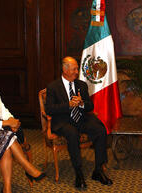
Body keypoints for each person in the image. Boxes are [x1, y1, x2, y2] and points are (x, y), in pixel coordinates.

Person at [46, 56, 112, 189]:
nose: (77, 71)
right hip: (63, 121)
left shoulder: (81, 85)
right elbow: (50, 109)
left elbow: (90, 106)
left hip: (81, 118)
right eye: (74, 69)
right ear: (65, 70)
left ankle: (98, 170)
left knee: (100, 130)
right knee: (72, 133)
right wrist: (68, 105)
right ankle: (79, 172)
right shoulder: (53, 87)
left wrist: (81, 104)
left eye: (77, 68)